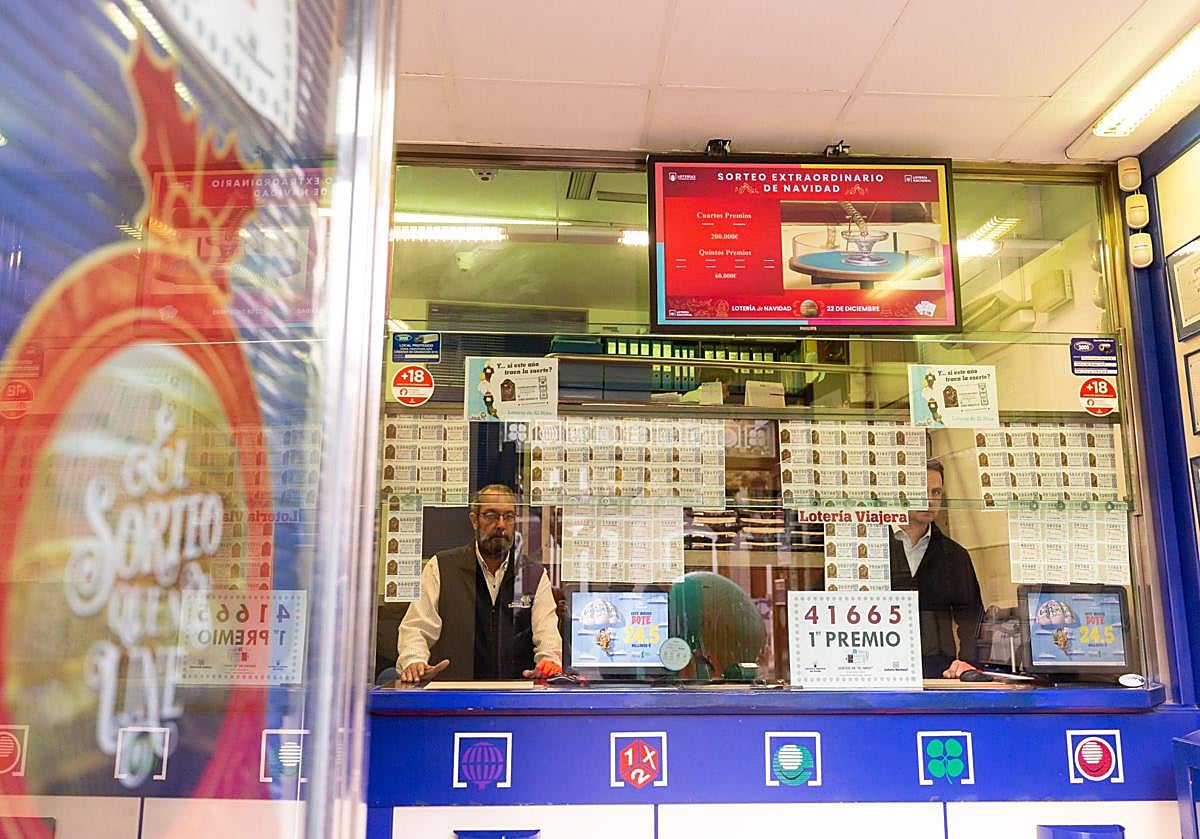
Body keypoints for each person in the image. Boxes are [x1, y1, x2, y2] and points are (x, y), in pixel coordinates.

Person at [397, 484, 563, 683]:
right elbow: (416, 627)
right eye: (491, 515)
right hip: (452, 695)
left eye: (508, 517)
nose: (501, 525)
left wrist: (548, 664)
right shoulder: (441, 567)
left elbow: (548, 638)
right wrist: (414, 661)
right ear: (474, 520)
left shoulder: (533, 575)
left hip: (516, 697)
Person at [889, 460, 983, 679]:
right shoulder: (869, 548)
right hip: (875, 671)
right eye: (923, 491)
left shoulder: (954, 555)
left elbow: (973, 622)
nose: (930, 500)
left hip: (938, 676)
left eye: (937, 492)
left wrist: (967, 668)